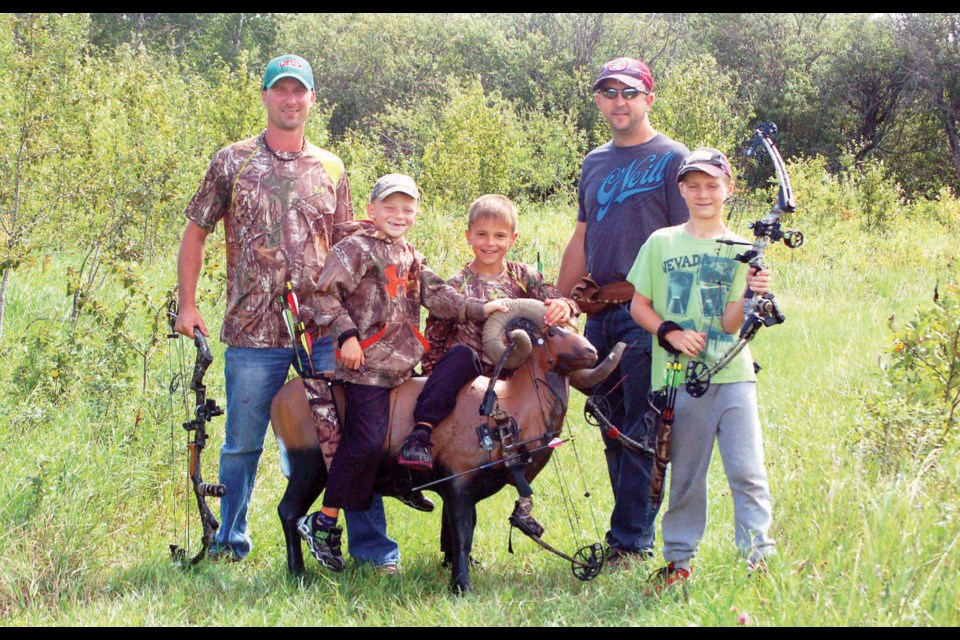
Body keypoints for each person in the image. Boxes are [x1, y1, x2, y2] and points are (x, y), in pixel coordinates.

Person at [174, 54, 401, 569]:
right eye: (281, 90)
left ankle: (372, 550)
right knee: (242, 443)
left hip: (323, 328)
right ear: (265, 97)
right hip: (253, 331)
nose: (291, 99)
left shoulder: (331, 167)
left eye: (300, 91)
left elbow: (351, 247)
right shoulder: (231, 160)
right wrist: (187, 305)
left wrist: (370, 319)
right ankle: (228, 543)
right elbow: (196, 229)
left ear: (312, 100)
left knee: (349, 435)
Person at [295, 174, 506, 572]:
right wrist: (347, 337)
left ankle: (408, 482)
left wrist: (481, 310)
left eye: (407, 208)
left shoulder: (409, 253)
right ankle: (322, 522)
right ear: (371, 210)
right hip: (365, 369)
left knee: (440, 398)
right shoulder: (353, 249)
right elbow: (321, 296)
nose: (398, 215)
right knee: (367, 443)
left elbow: (438, 294)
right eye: (389, 207)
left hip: (402, 370)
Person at [557, 57, 690, 569]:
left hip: (647, 314)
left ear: (648, 99)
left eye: (628, 93)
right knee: (611, 427)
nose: (618, 101)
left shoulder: (674, 158)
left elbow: (687, 241)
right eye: (608, 92)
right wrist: (563, 301)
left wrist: (675, 319)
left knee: (644, 428)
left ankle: (632, 543)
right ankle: (627, 535)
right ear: (598, 99)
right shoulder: (594, 163)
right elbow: (582, 237)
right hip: (598, 314)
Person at [627, 147, 776, 591]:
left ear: (729, 189)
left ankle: (758, 560)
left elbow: (732, 324)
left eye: (712, 184)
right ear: (681, 190)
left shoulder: (744, 250)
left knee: (747, 471)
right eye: (693, 184)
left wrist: (751, 292)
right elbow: (640, 305)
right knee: (687, 475)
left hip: (732, 375)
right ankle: (679, 562)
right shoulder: (661, 241)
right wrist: (670, 332)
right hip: (679, 380)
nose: (703, 193)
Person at [420, 193, 578, 379]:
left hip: (518, 381)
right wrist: (432, 378)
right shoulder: (455, 287)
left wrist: (565, 305)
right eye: (482, 234)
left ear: (513, 239)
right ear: (468, 236)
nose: (490, 243)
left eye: (500, 236)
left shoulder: (526, 277)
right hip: (467, 383)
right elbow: (434, 340)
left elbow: (558, 302)